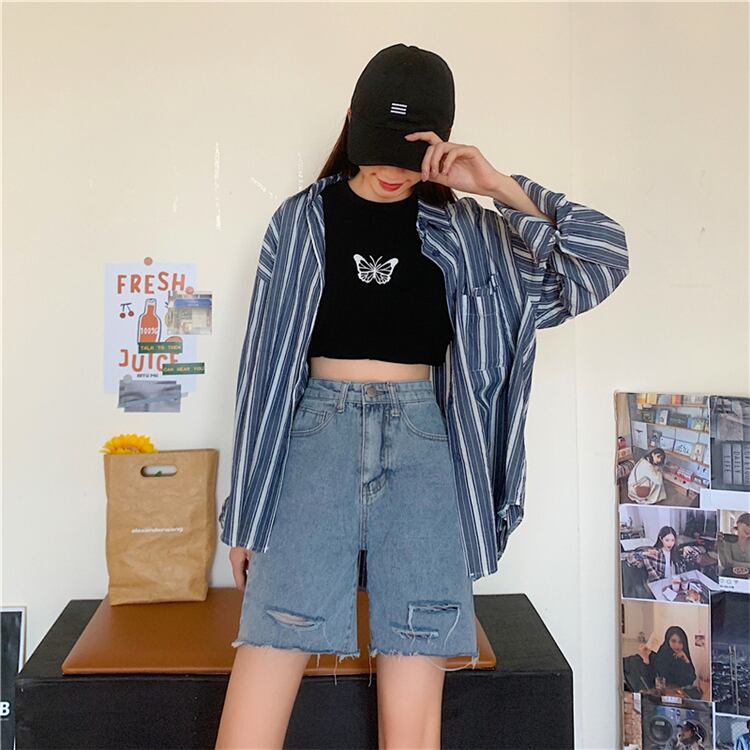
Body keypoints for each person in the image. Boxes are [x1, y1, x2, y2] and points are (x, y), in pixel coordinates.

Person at [215, 43, 629, 749]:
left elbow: (601, 259)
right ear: (352, 122)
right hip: (316, 438)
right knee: (265, 665)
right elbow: (264, 373)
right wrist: (246, 515)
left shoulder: (471, 234)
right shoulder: (301, 221)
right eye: (380, 147)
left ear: (440, 147)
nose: (392, 170)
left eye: (412, 154)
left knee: (414, 711)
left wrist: (496, 184)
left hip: (426, 449)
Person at [624, 525, 703, 585]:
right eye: (667, 540)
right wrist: (644, 553)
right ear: (661, 539)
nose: (670, 544)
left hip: (676, 584)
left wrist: (689, 548)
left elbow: (697, 556)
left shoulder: (678, 552)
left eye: (672, 540)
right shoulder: (655, 553)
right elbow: (630, 560)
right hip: (659, 585)